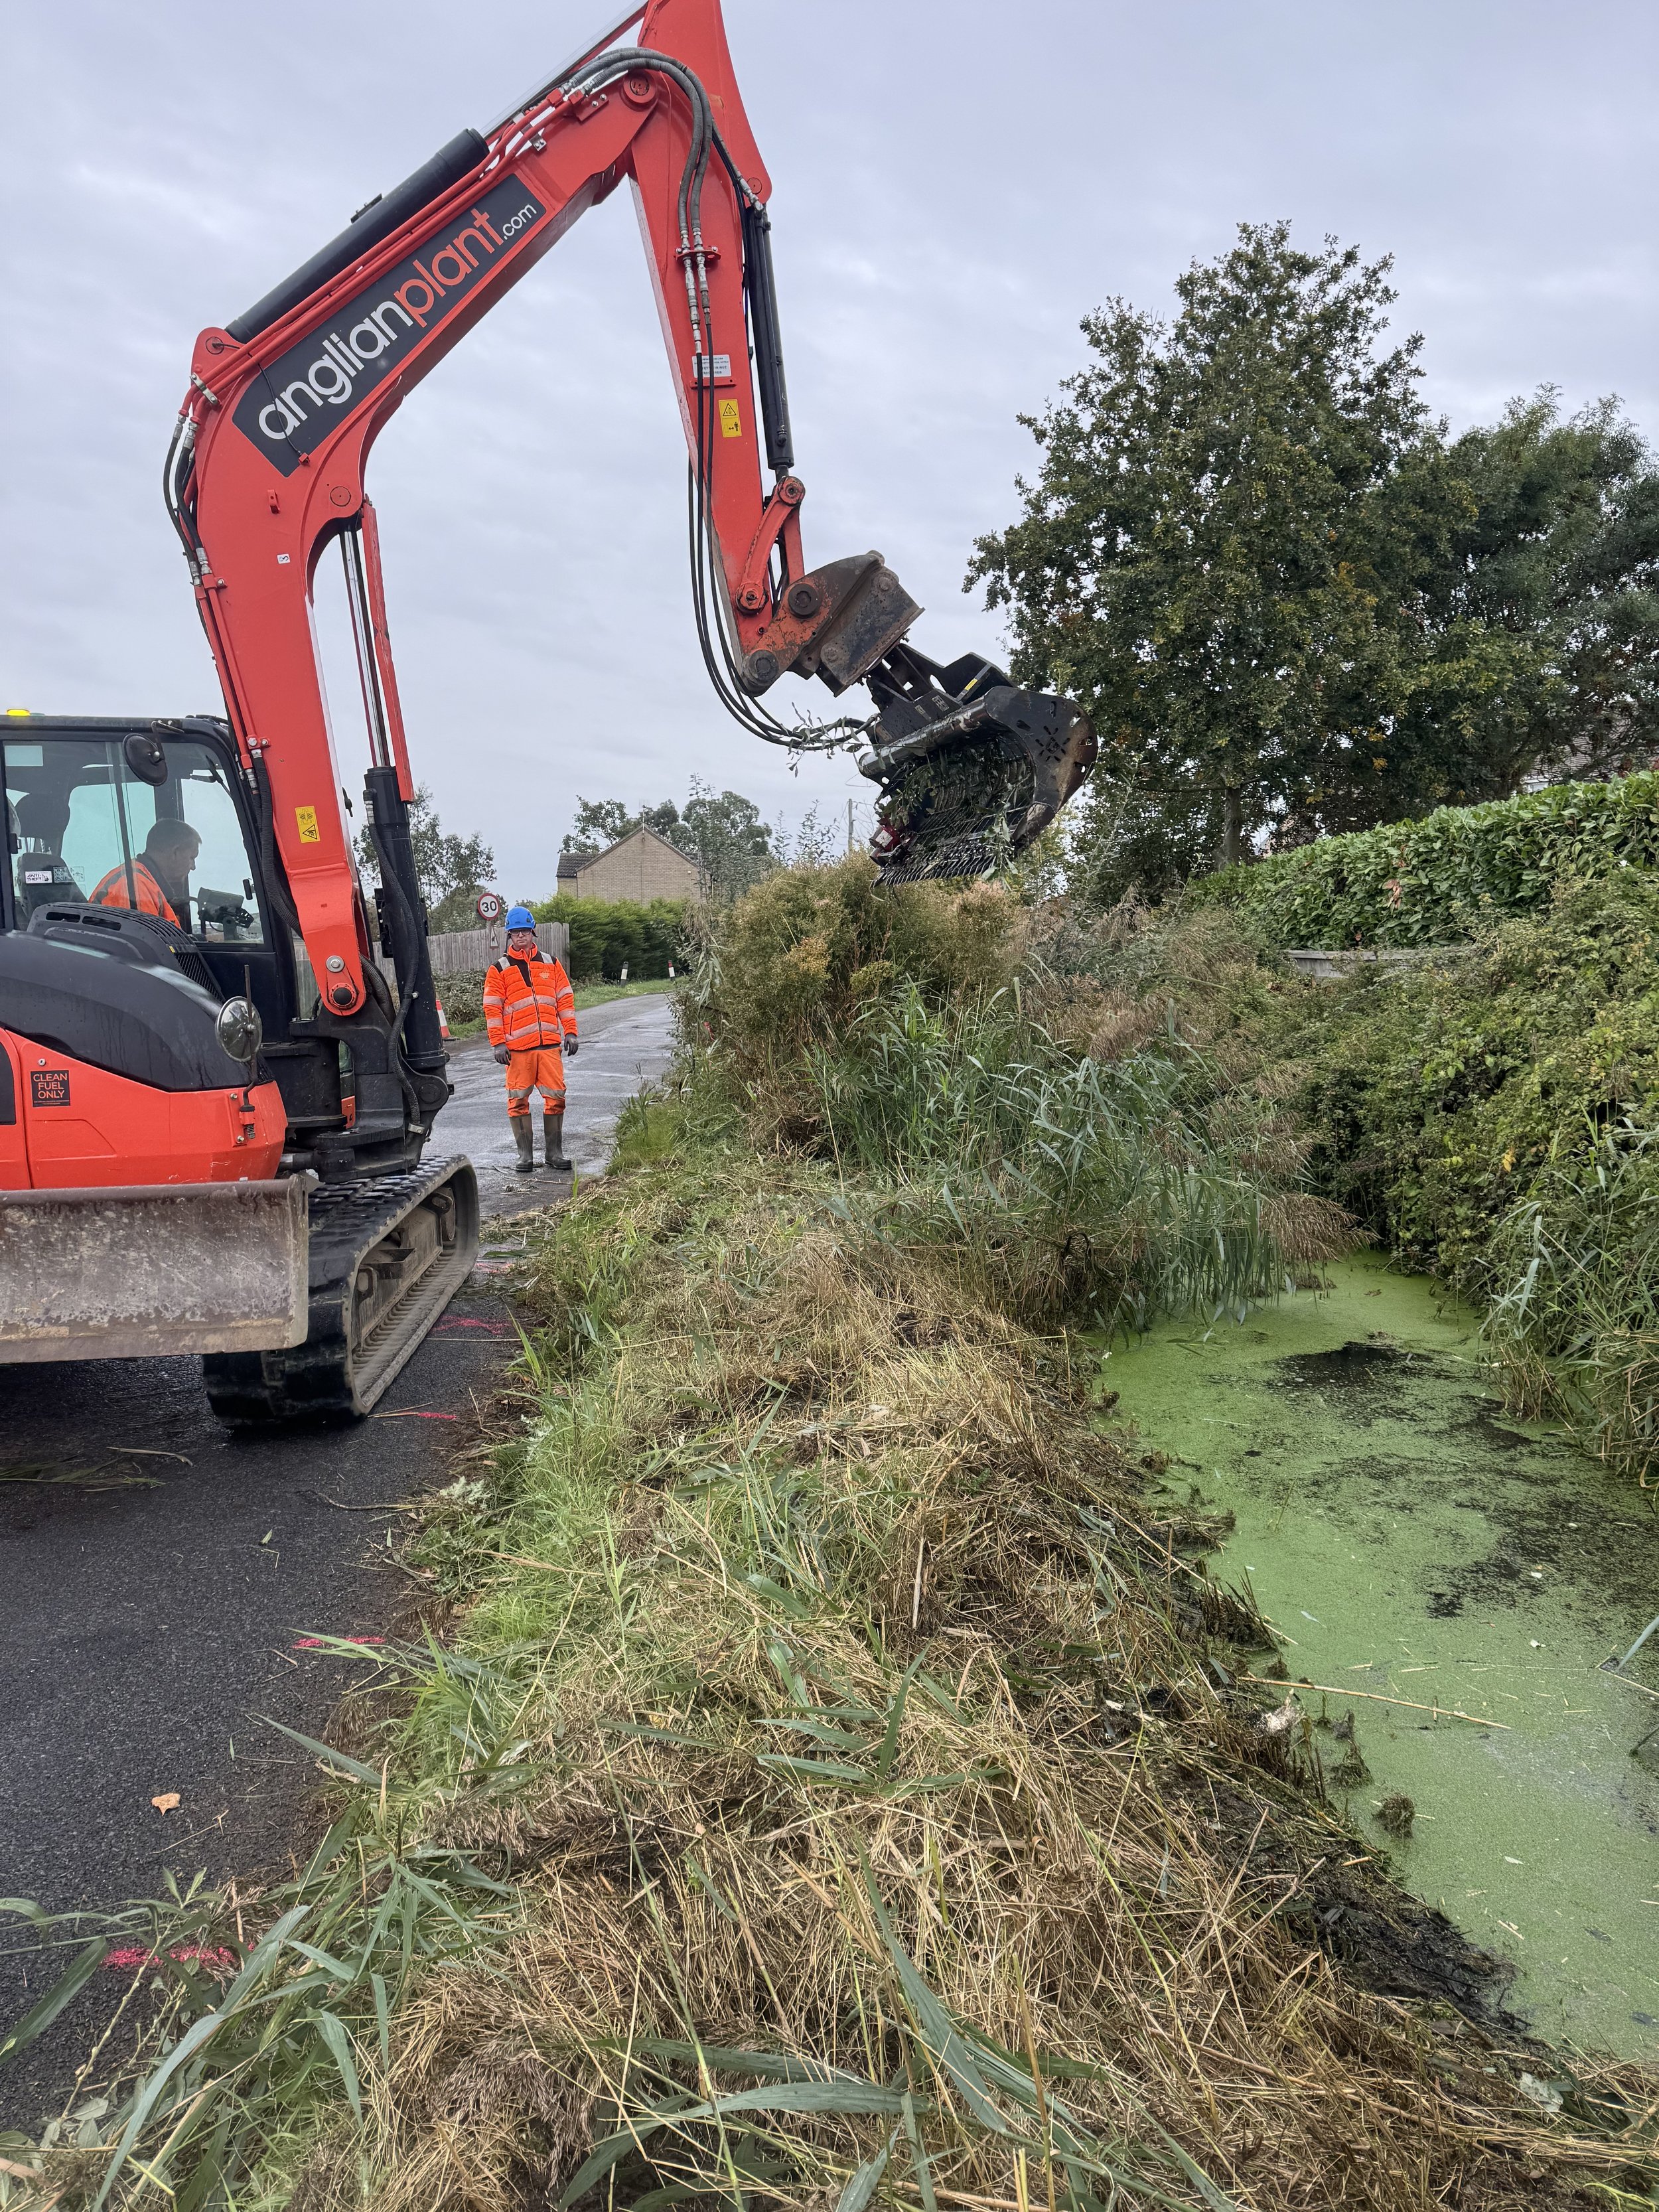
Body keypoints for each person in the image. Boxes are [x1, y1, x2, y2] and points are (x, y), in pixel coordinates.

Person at [482, 907, 579, 1173]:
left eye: (525, 931)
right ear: (509, 935)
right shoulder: (499, 969)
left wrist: (570, 1031)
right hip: (517, 1050)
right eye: (515, 932)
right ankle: (525, 1157)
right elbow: (492, 1008)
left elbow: (565, 1000)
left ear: (533, 932)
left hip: (549, 1046)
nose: (521, 936)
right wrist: (498, 1042)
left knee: (556, 1096)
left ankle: (554, 1153)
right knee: (517, 1100)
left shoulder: (551, 963)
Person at [88, 820, 202, 928]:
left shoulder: (145, 883)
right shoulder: (134, 888)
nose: (193, 867)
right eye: (192, 858)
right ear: (175, 852)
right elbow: (148, 944)